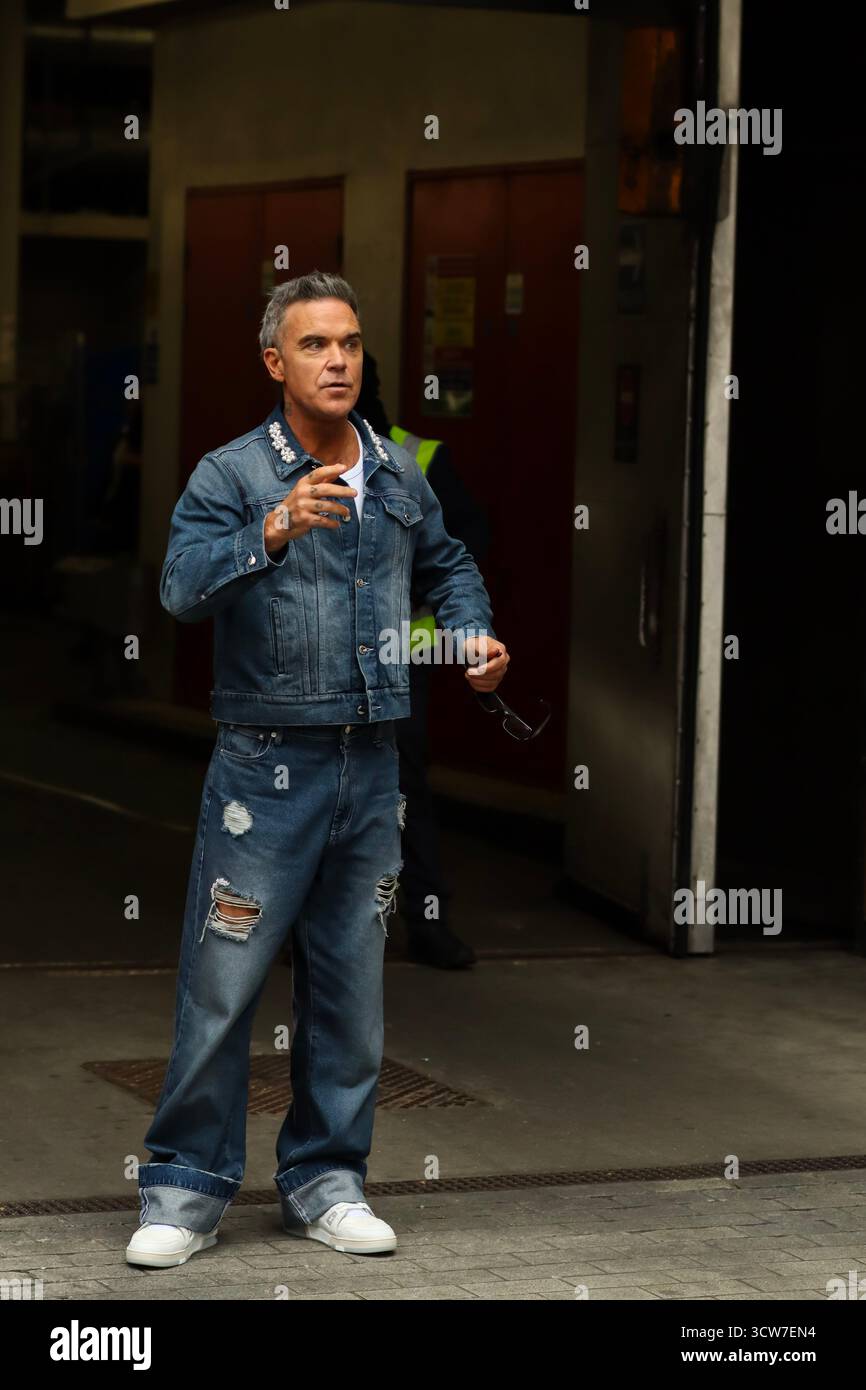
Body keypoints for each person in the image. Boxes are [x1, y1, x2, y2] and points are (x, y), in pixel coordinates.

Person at [125, 270, 509, 1268]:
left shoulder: (395, 474)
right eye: (313, 344)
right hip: (263, 772)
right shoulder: (231, 475)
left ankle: (325, 1182)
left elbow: (449, 563)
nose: (337, 359)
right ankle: (183, 1187)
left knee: (349, 991)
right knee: (222, 985)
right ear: (273, 362)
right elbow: (175, 588)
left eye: (348, 343)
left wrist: (469, 637)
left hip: (370, 769)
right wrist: (270, 529)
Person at [355, 351, 491, 968]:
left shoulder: (414, 457)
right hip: (320, 662)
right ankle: (324, 928)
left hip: (400, 654)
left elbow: (463, 550)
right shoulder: (280, 459)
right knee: (314, 789)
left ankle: (426, 921)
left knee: (401, 788)